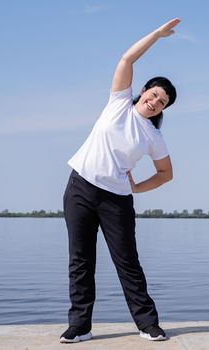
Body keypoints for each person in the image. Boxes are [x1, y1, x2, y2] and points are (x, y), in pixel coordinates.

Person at [60, 18, 181, 343]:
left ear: (162, 108)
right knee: (81, 259)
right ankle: (80, 326)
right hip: (80, 188)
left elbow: (166, 174)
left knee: (127, 262)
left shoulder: (154, 136)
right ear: (143, 91)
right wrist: (157, 35)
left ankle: (147, 324)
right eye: (154, 94)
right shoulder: (118, 104)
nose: (155, 101)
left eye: (162, 102)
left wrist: (138, 187)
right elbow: (126, 59)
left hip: (116, 199)